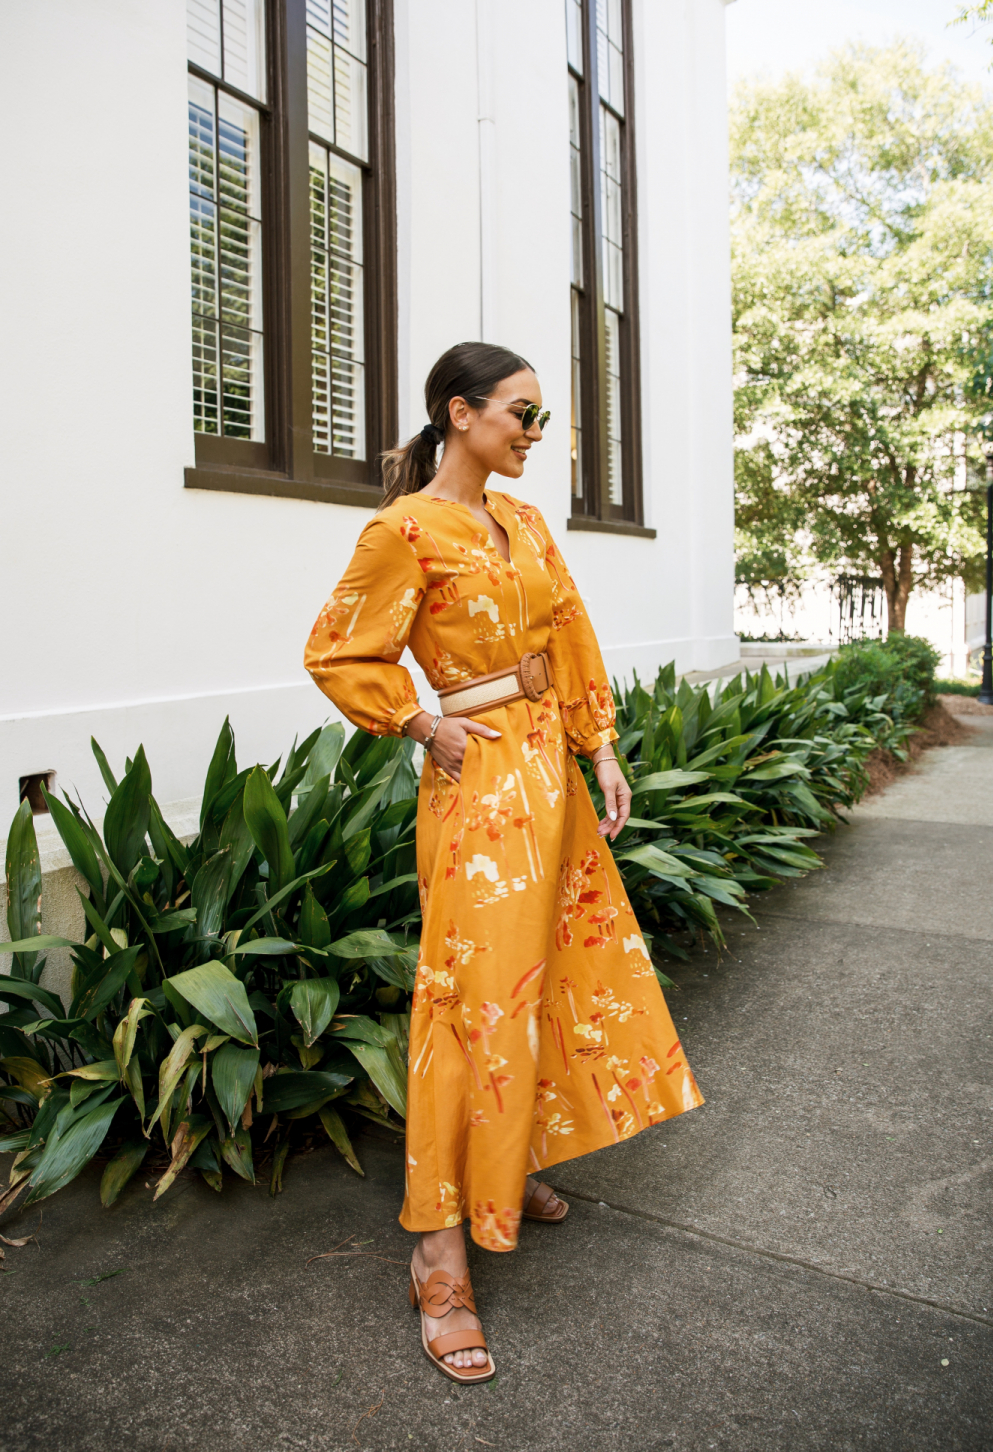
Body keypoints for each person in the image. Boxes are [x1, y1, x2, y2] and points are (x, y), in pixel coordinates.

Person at [304, 341, 702, 1384]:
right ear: (460, 413)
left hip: (549, 777)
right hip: (478, 786)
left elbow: (569, 632)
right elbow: (337, 650)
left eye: (540, 417)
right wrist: (420, 725)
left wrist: (600, 748)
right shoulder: (403, 531)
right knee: (471, 998)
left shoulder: (523, 522)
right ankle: (439, 1261)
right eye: (521, 414)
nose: (535, 433)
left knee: (553, 975)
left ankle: (508, 1152)